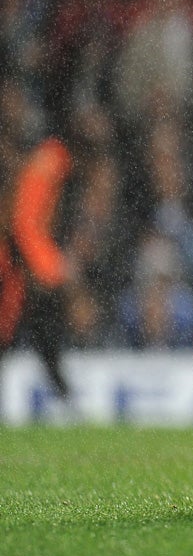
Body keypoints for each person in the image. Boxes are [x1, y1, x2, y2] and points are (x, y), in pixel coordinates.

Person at [0, 135, 80, 401]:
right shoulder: (45, 169)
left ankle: (63, 392)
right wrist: (50, 268)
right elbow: (23, 227)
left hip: (21, 270)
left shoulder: (39, 171)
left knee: (37, 334)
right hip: (19, 271)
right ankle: (63, 392)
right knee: (38, 333)